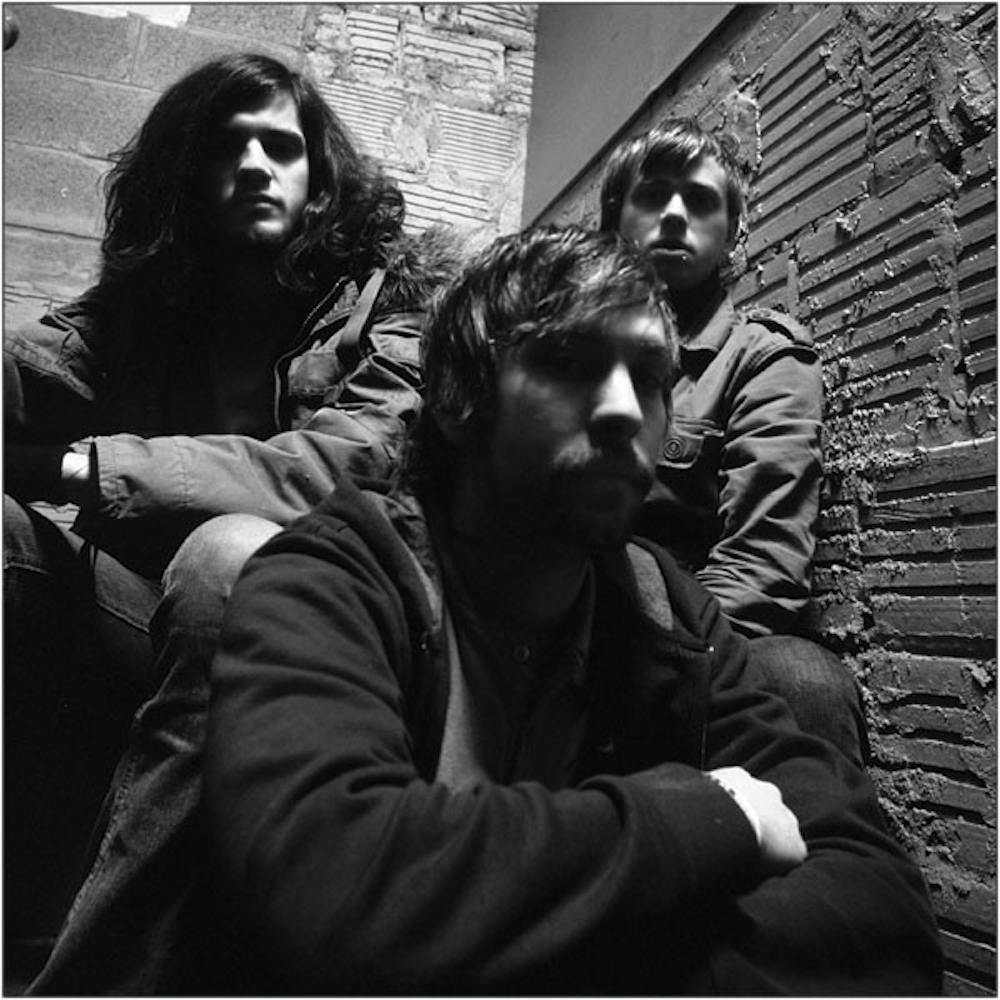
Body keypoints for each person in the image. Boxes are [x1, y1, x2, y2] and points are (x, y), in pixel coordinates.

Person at [197, 226, 940, 993]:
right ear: (457, 399)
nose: (625, 411)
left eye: (650, 378)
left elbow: (881, 910)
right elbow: (333, 888)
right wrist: (715, 818)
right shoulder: (332, 578)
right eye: (568, 363)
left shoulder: (667, 610)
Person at [5, 51, 457, 980]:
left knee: (227, 558)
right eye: (227, 146)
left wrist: (89, 464)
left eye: (280, 147)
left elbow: (345, 465)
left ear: (321, 180)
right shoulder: (152, 302)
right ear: (187, 173)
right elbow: (35, 367)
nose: (254, 165)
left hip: (326, 635)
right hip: (150, 611)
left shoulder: (394, 301)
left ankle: (102, 980)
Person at [600, 118, 867, 765]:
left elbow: (761, 566)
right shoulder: (565, 351)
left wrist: (638, 649)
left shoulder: (760, 357)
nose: (673, 214)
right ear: (613, 220)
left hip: (685, 632)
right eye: (652, 195)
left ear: (733, 231)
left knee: (803, 679)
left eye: (699, 200)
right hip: (557, 611)